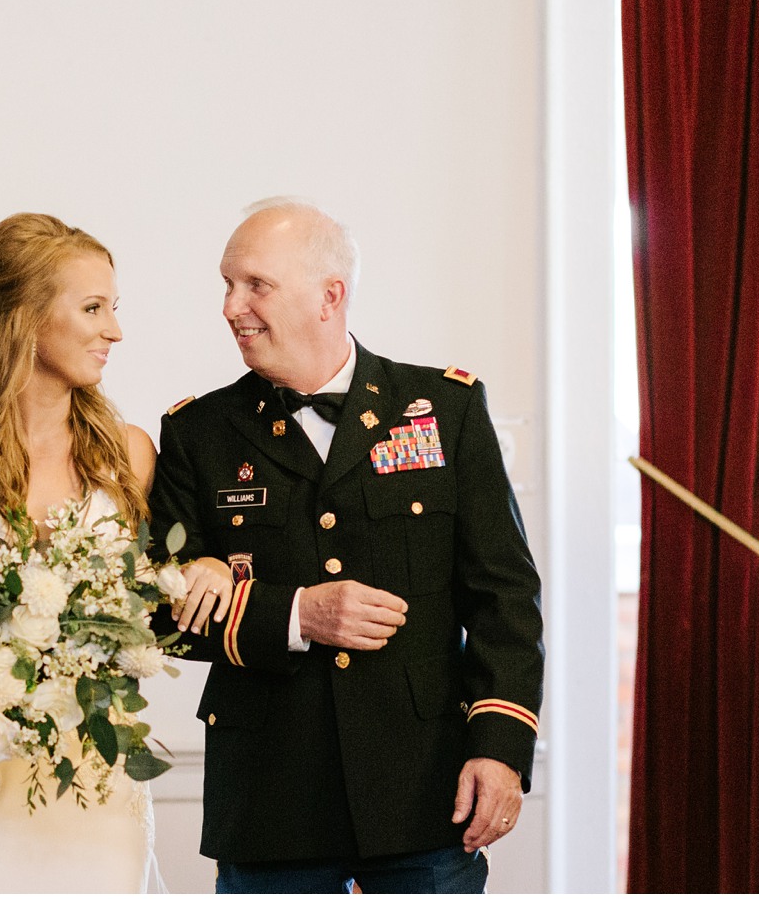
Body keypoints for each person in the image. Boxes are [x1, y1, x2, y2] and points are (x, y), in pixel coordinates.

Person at [147, 199, 545, 894]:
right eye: (227, 284)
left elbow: (503, 600)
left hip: (424, 793)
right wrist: (298, 615)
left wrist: (502, 751)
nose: (230, 306)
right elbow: (161, 614)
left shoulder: (444, 409)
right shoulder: (197, 433)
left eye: (255, 285)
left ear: (330, 295)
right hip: (271, 800)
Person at [0, 213, 231, 893]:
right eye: (92, 308)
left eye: (114, 309)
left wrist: (199, 568)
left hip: (95, 778)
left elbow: (164, 586)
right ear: (25, 318)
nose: (115, 330)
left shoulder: (131, 454)